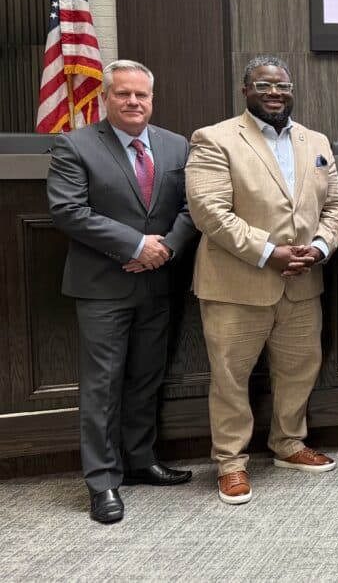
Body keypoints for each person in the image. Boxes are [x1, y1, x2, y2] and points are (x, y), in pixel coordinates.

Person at [186, 55, 338, 505]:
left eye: (282, 86)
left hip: (302, 281)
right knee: (230, 378)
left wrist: (319, 247)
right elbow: (209, 211)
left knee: (299, 370)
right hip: (237, 284)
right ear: (246, 91)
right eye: (263, 85)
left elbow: (335, 206)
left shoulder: (315, 141)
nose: (275, 93)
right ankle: (231, 463)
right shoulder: (214, 138)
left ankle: (289, 443)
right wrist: (267, 252)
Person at [46, 60, 198, 524]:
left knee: (146, 378)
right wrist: (135, 245)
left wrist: (164, 249)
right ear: (105, 97)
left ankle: (139, 460)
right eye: (123, 94)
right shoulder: (75, 145)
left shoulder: (176, 145)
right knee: (103, 386)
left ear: (152, 99)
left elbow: (192, 207)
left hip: (158, 281)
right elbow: (68, 210)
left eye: (141, 95)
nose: (134, 102)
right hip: (103, 286)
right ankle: (102, 482)